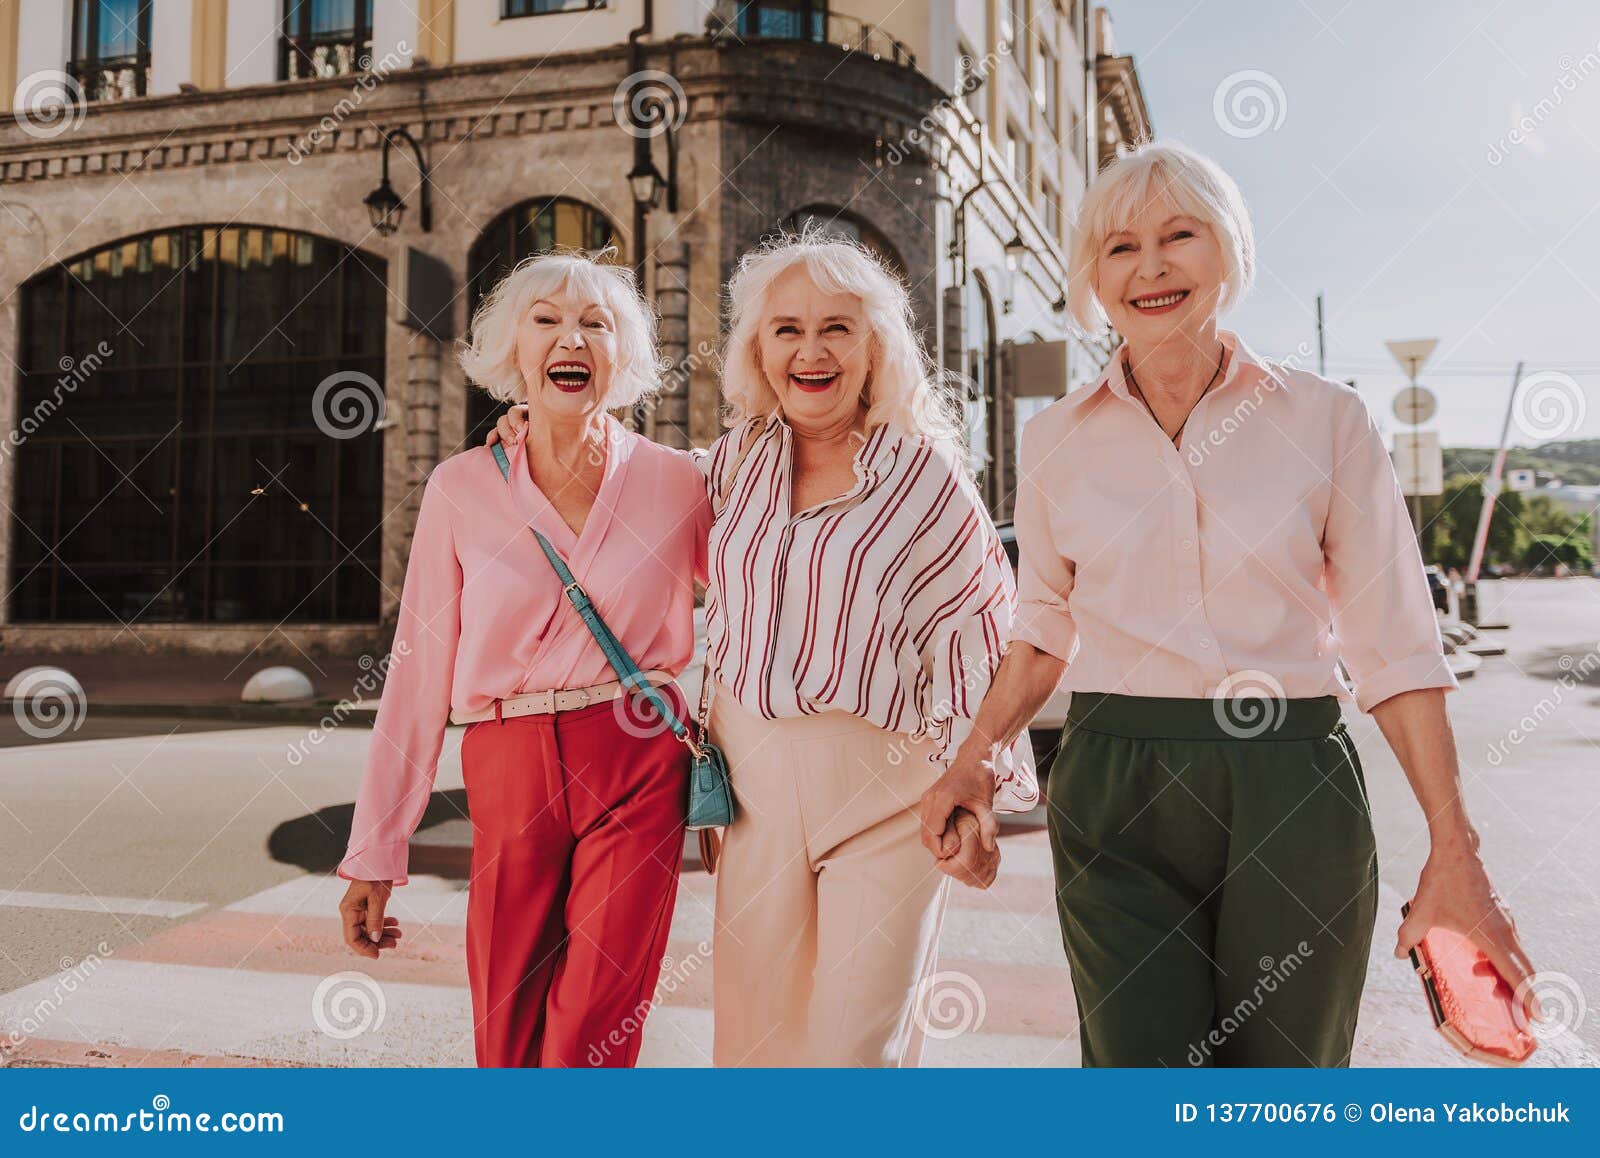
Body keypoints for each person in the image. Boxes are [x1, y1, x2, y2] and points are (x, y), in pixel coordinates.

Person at [918, 140, 1538, 1067]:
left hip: (1291, 780)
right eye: (1120, 247)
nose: (1152, 265)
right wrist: (974, 757)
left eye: (1181, 235)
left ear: (1230, 251)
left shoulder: (1328, 419)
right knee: (1140, 1079)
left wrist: (1457, 849)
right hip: (1115, 778)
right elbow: (1043, 624)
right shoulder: (1054, 441)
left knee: (1286, 1081)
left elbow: (1395, 645)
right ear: (1093, 275)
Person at [495, 232, 1037, 1066]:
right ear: (758, 347)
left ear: (875, 347)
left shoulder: (928, 477)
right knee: (755, 1044)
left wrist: (977, 786)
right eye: (786, 329)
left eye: (837, 329)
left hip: (888, 793)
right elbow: (620, 487)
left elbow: (982, 638)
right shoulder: (735, 462)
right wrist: (543, 425)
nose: (810, 351)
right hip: (752, 790)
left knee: (854, 1050)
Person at [337, 252, 712, 1068]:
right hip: (506, 758)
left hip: (638, 750)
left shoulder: (682, 482)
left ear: (624, 357)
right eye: (546, 320)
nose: (570, 337)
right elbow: (417, 671)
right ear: (515, 350)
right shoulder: (459, 487)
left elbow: (759, 601)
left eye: (595, 323)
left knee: (596, 1014)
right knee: (506, 1024)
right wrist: (377, 851)